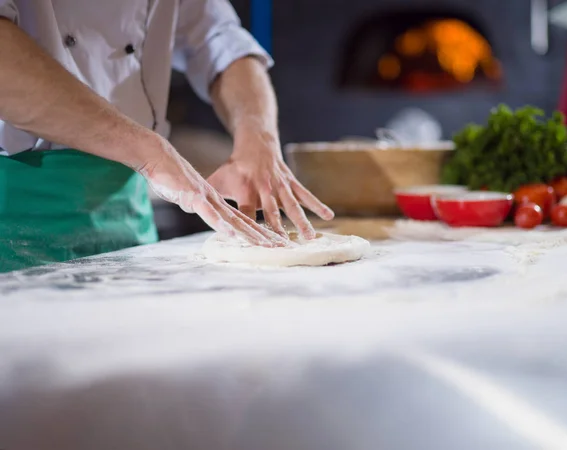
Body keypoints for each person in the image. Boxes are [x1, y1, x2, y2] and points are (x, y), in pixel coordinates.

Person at [0, 0, 334, 273]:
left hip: (129, 227)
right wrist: (150, 152)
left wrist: (258, 137)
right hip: (13, 223)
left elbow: (219, 38)